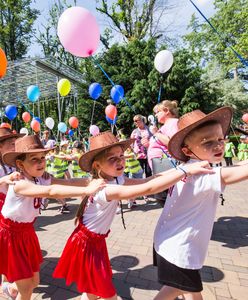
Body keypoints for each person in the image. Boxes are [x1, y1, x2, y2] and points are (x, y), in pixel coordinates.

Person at [53, 130, 213, 300]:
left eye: (121, 156)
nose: (120, 161)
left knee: (92, 290)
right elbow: (148, 189)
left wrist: (183, 167)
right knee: (107, 294)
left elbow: (147, 180)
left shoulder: (115, 179)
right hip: (86, 245)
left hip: (95, 242)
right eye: (112, 159)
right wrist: (185, 172)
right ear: (97, 165)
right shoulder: (105, 188)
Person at [153, 107, 248, 300]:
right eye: (207, 142)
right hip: (180, 249)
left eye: (220, 139)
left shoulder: (187, 167)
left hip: (169, 241)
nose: (218, 146)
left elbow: (238, 166)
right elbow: (239, 171)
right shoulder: (202, 174)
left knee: (192, 291)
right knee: (173, 291)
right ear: (187, 150)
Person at [0, 134, 106, 300]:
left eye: (42, 157)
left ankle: (9, 289)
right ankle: (13, 289)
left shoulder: (41, 178)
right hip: (11, 236)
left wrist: (92, 180)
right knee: (27, 289)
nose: (41, 162)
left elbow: (66, 183)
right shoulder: (19, 183)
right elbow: (51, 192)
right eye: (34, 159)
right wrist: (86, 191)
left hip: (27, 233)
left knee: (34, 281)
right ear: (20, 164)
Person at [0, 127, 24, 299]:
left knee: (8, 246)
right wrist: (4, 179)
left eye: (15, 142)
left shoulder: (14, 161)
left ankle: (7, 282)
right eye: (11, 143)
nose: (15, 146)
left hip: (13, 206)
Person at [147, 100, 179, 206]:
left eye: (157, 112)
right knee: (164, 201)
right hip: (162, 170)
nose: (155, 115)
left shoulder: (172, 123)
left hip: (166, 170)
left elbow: (173, 143)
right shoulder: (167, 125)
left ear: (166, 111)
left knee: (167, 203)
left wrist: (156, 133)